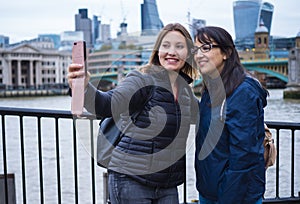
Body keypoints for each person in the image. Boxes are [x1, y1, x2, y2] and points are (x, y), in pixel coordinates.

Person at [68, 23, 199, 204]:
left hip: (167, 184)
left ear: (188, 53)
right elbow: (107, 104)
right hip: (131, 178)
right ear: (157, 51)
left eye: (179, 46)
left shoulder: (185, 92)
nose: (172, 52)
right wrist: (83, 87)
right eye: (166, 45)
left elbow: (207, 114)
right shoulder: (142, 79)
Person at [192, 26, 268, 204]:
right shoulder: (211, 88)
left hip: (235, 195)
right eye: (195, 49)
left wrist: (227, 196)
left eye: (206, 48)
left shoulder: (243, 92)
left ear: (226, 52)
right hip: (210, 191)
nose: (198, 55)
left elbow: (244, 155)